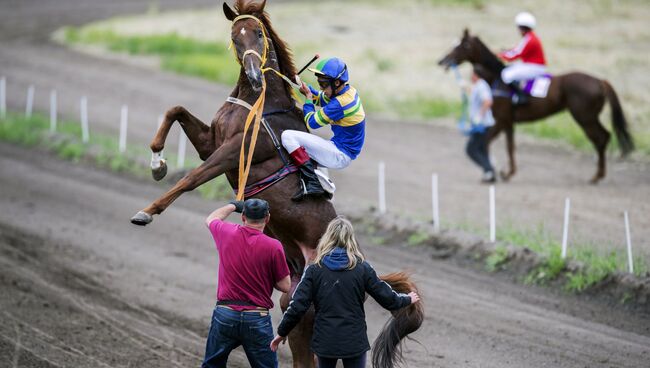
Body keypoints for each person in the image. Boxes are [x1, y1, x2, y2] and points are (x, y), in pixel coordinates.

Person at [269, 217, 420, 368]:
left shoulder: (314, 270)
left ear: (328, 238)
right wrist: (406, 299)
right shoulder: (363, 268)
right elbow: (387, 297)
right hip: (354, 342)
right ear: (351, 239)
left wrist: (282, 333)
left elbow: (297, 306)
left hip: (325, 342)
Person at [202, 199, 291, 368]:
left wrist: (232, 205)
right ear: (267, 218)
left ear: (243, 217)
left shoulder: (226, 232)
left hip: (225, 314)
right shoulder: (274, 246)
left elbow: (211, 218)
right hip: (256, 318)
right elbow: (285, 286)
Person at [282, 57, 366, 201]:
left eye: (323, 84)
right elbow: (321, 98)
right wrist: (301, 85)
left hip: (339, 154)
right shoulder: (346, 91)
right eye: (319, 83)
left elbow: (311, 122)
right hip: (339, 149)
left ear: (337, 82)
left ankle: (312, 183)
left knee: (288, 137)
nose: (321, 88)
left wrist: (308, 99)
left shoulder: (340, 103)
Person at [498, 11, 547, 105]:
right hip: (531, 64)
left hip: (534, 67)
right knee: (511, 68)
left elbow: (515, 55)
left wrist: (499, 55)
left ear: (522, 28)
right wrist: (503, 52)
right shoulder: (530, 37)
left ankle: (521, 96)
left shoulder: (529, 40)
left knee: (506, 74)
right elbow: (516, 49)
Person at [466, 66, 496, 183]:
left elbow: (488, 101)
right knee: (482, 149)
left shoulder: (482, 85)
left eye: (471, 74)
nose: (470, 76)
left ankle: (489, 170)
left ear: (475, 74)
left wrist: (479, 116)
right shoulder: (479, 86)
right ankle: (489, 172)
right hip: (481, 124)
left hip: (483, 125)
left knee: (471, 149)